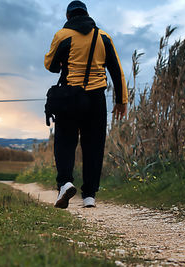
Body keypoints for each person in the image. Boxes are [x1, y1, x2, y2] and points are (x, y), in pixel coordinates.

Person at [44, 0, 127, 209]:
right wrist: (121, 100)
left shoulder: (63, 35)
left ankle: (65, 183)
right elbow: (116, 70)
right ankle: (89, 195)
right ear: (87, 15)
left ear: (68, 16)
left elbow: (50, 65)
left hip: (70, 96)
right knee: (94, 146)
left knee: (65, 142)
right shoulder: (103, 37)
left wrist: (64, 62)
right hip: (96, 99)